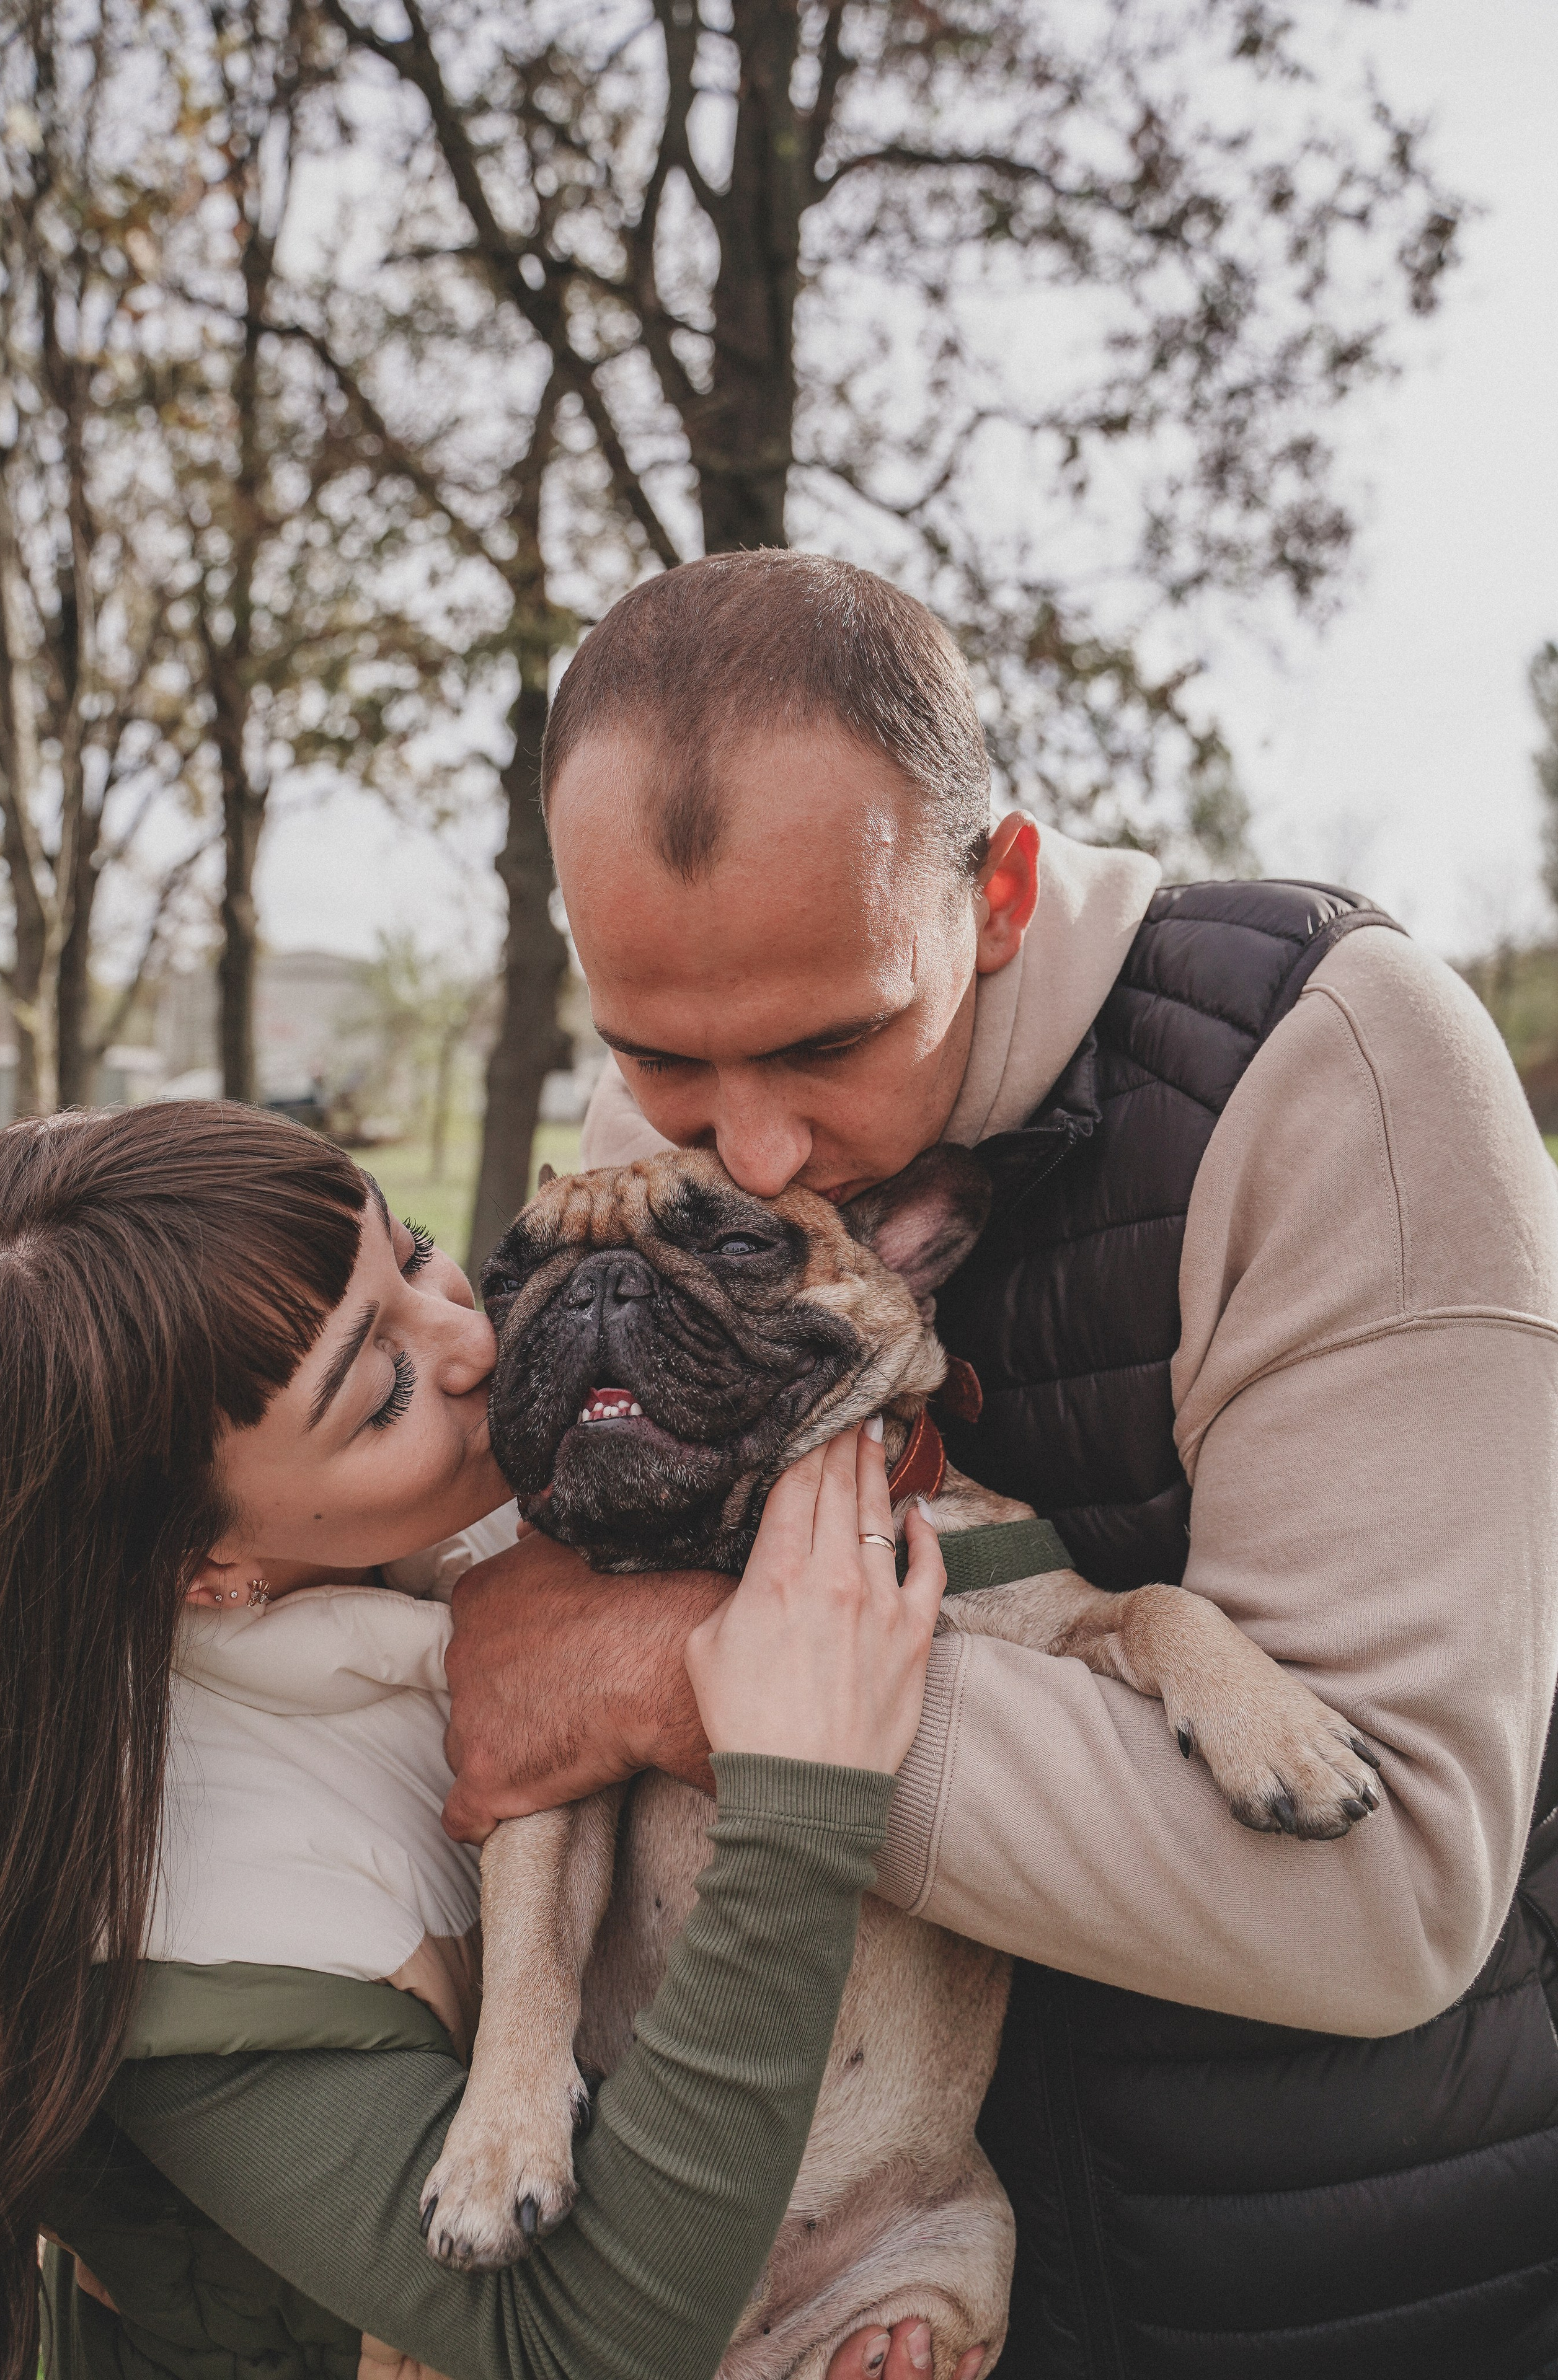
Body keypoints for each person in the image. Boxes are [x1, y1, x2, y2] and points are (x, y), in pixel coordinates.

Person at [440, 549, 1558, 2379]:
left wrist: (688, 1679)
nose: (752, 1144)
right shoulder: (670, 1128)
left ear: (1002, 891)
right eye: (658, 1058)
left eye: (829, 1042)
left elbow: (1396, 1893)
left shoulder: (1336, 1072)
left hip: (1311, 2289)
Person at [0, 1101, 949, 2380]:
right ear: (199, 1569)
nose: (473, 1341)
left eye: (418, 1253)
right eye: (380, 1390)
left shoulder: (481, 1515)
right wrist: (792, 1813)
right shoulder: (170, 1923)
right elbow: (573, 2343)